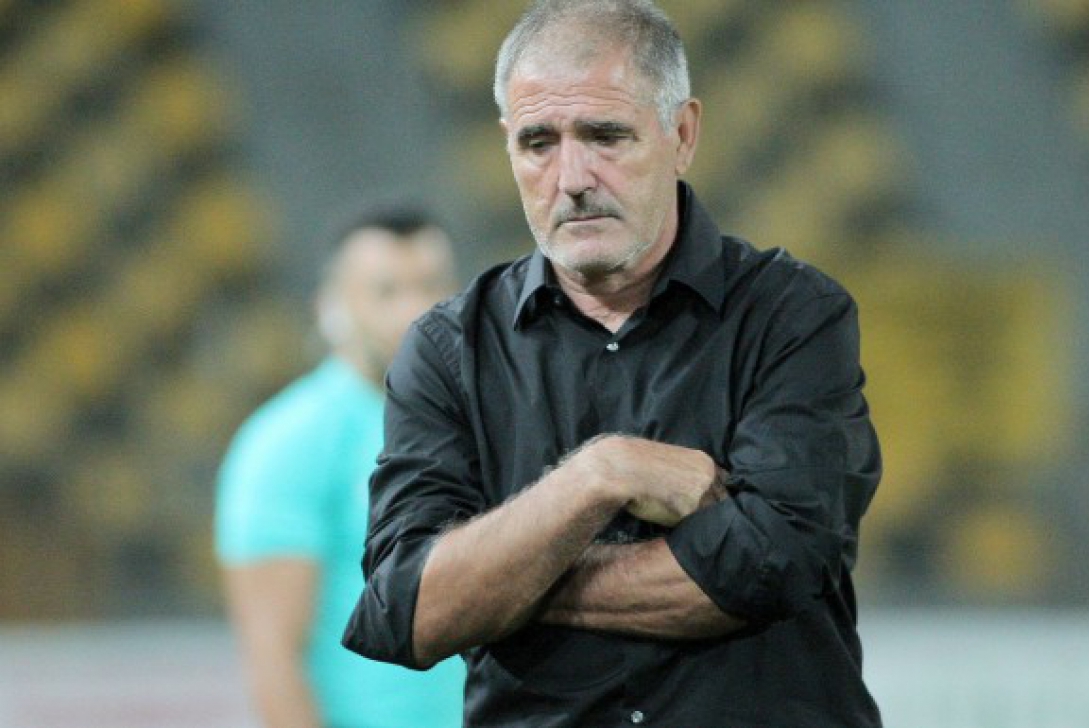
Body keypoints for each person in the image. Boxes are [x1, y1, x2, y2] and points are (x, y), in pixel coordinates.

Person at [343, 1, 883, 725]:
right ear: (508, 147)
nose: (572, 177)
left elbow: (775, 561)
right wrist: (599, 475)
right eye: (539, 142)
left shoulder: (794, 315)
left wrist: (509, 584)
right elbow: (405, 611)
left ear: (682, 134)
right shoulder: (447, 349)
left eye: (605, 135)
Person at [215, 206, 466, 728]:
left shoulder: (479, 422)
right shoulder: (289, 442)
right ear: (332, 306)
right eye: (385, 291)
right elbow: (272, 661)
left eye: (430, 285)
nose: (414, 310)